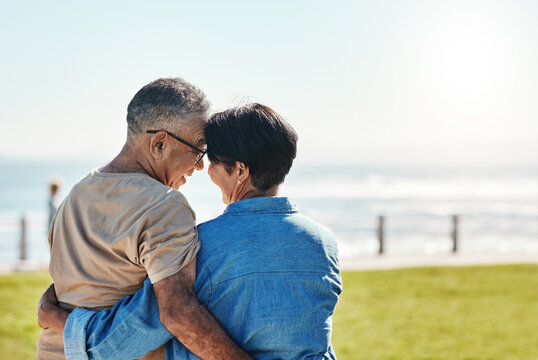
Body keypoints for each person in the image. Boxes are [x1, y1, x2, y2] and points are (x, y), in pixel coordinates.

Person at [39, 103, 343, 359]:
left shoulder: (204, 245)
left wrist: (58, 319)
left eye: (210, 161)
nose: (203, 169)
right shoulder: (323, 244)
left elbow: (130, 333)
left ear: (239, 170)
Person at [36, 78, 251, 360]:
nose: (200, 165)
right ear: (159, 143)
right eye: (199, 150)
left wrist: (49, 314)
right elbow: (178, 312)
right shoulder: (164, 205)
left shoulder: (75, 195)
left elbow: (67, 288)